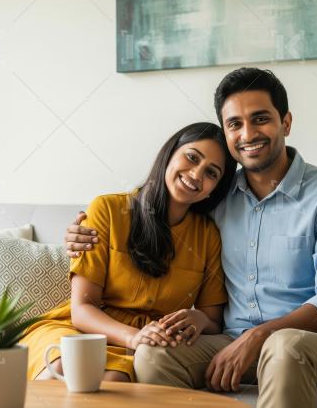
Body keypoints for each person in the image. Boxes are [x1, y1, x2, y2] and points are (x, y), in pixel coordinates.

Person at [65, 67, 317, 407]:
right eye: (234, 124)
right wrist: (82, 229)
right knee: (155, 355)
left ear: (285, 123)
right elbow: (156, 211)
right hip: (230, 341)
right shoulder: (214, 197)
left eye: (260, 119)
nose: (248, 133)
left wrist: (261, 334)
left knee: (284, 347)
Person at [22, 122, 237, 383]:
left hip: (148, 344)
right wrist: (132, 337)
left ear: (215, 189)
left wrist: (199, 318)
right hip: (81, 329)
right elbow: (83, 309)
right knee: (64, 368)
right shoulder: (107, 210)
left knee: (113, 382)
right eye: (192, 157)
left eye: (211, 173)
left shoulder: (208, 236)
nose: (196, 174)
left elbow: (214, 322)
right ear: (169, 153)